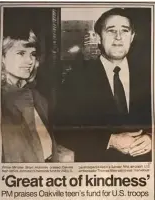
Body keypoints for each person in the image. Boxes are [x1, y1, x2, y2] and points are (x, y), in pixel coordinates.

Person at [54, 8, 152, 162]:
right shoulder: (77, 78)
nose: (118, 37)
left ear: (132, 37)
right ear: (99, 38)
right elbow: (61, 129)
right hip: (98, 171)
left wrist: (151, 137)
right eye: (111, 31)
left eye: (124, 31)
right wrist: (110, 140)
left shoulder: (149, 75)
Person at [1, 24, 58, 162]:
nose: (29, 61)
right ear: (1, 56)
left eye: (33, 54)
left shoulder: (38, 98)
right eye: (21, 53)